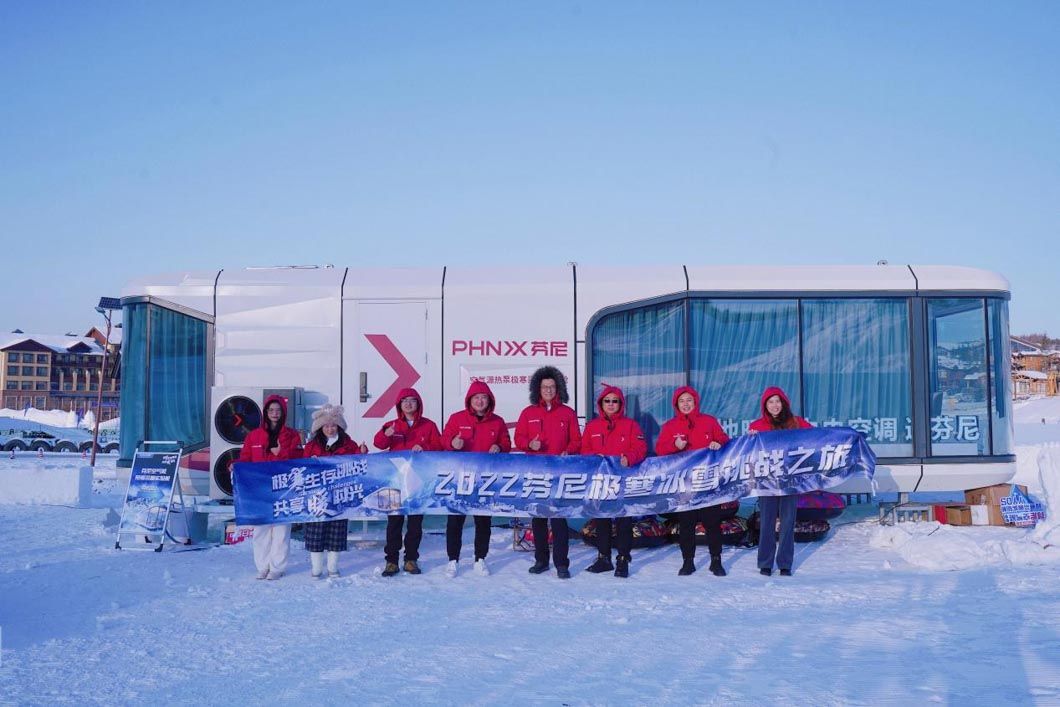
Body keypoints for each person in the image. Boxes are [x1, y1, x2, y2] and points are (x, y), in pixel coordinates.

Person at [515, 365, 582, 579]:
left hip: (560, 474)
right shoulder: (528, 413)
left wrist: (568, 450)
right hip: (536, 473)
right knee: (539, 520)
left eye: (552, 386)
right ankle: (541, 560)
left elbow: (577, 440)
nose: (548, 390)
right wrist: (529, 444)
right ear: (538, 388)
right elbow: (518, 438)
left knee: (559, 520)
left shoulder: (567, 413)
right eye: (545, 387)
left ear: (558, 388)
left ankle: (562, 563)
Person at [656, 386, 731, 577]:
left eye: (689, 400)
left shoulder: (709, 421)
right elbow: (660, 450)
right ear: (676, 404)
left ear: (695, 402)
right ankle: (687, 561)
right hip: (684, 486)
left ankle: (716, 560)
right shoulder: (670, 426)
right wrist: (674, 445)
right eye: (681, 401)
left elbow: (724, 439)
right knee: (686, 525)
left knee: (712, 523)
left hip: (708, 485)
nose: (686, 404)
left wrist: (718, 442)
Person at [440, 381, 511, 578]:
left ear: (490, 400)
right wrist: (452, 443)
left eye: (484, 398)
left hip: (485, 480)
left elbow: (507, 443)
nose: (480, 401)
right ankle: (452, 560)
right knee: (455, 521)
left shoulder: (497, 422)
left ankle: (480, 558)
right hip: (460, 478)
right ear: (470, 400)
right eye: (476, 398)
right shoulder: (457, 418)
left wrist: (500, 447)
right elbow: (443, 440)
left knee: (483, 521)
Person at [373, 387, 442, 577]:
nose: (409, 404)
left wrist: (425, 446)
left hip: (418, 483)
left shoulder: (429, 425)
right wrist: (386, 434)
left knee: (415, 524)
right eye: (405, 401)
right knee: (394, 523)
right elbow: (378, 443)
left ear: (418, 404)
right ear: (399, 405)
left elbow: (439, 446)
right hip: (394, 482)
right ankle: (391, 561)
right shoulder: (391, 425)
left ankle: (411, 559)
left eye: (412, 400)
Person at [581, 384, 646, 578]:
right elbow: (584, 450)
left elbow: (641, 448)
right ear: (601, 403)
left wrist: (629, 457)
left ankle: (623, 559)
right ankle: (604, 558)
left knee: (624, 520)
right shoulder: (592, 426)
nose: (610, 404)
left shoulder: (631, 425)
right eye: (607, 401)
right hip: (601, 482)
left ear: (620, 404)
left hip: (624, 481)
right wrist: (594, 457)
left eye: (614, 401)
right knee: (602, 520)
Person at [748, 386, 813, 577]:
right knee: (766, 522)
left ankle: (785, 563)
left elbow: (816, 439)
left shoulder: (796, 422)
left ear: (784, 403)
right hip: (766, 482)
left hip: (790, 480)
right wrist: (750, 440)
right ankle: (765, 563)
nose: (774, 405)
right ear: (765, 405)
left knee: (787, 522)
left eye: (777, 401)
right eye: (770, 402)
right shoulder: (757, 425)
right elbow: (749, 453)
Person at [239, 394, 302, 580]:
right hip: (261, 491)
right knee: (261, 530)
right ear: (265, 412)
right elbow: (245, 459)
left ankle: (277, 567)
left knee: (281, 530)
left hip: (284, 490)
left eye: (278, 410)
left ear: (284, 412)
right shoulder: (254, 436)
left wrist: (280, 453)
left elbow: (297, 461)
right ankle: (262, 566)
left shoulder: (292, 435)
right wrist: (234, 466)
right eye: (271, 410)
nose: (275, 413)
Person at [302, 403, 368, 579]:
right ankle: (316, 568)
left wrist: (362, 453)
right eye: (326, 426)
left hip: (340, 494)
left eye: (333, 426)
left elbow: (358, 463)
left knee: (336, 531)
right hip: (317, 496)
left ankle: (333, 567)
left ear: (339, 427)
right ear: (320, 428)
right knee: (316, 530)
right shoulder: (311, 446)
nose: (330, 429)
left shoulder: (349, 444)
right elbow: (302, 467)